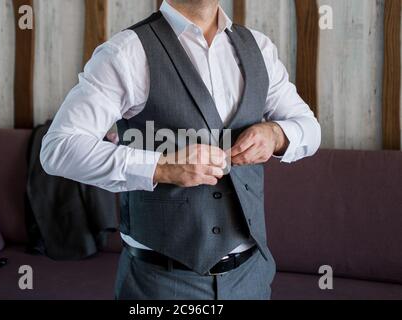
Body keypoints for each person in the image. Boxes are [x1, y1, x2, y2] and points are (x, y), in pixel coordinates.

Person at [40, 0, 321, 300]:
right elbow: (59, 147)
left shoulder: (260, 49)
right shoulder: (127, 52)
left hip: (251, 277)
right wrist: (161, 167)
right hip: (162, 285)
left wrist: (276, 134)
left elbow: (309, 128)